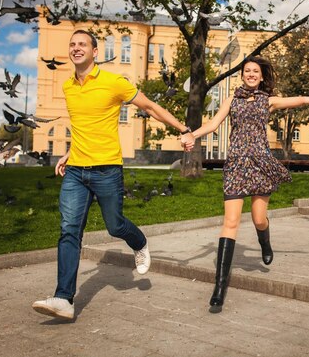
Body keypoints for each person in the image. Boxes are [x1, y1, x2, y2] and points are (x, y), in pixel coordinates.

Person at [181, 56, 309, 313]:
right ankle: (219, 290)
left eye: (256, 71)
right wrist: (192, 134)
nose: (251, 74)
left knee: (259, 219)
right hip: (236, 165)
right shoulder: (231, 100)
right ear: (242, 74)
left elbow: (303, 100)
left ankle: (265, 243)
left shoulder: (268, 101)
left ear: (262, 76)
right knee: (230, 222)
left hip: (260, 164)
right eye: (247, 71)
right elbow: (212, 125)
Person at [32, 30, 195, 320]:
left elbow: (150, 107)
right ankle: (63, 299)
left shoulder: (113, 82)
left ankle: (140, 243)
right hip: (75, 172)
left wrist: (183, 129)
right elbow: (84, 124)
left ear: (95, 51)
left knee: (115, 225)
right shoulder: (69, 86)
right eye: (72, 44)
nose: (76, 48)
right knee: (69, 230)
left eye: (82, 44)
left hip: (107, 169)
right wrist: (70, 153)